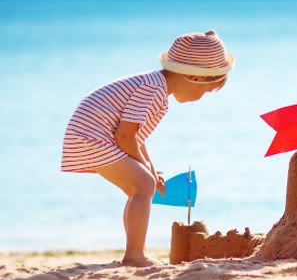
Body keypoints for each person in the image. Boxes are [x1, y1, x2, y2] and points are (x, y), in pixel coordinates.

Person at [61, 30, 234, 266]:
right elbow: (124, 135)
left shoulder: (156, 86)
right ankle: (135, 255)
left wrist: (150, 167)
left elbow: (136, 137)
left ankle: (134, 252)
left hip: (94, 135)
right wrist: (145, 170)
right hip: (91, 136)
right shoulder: (153, 90)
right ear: (194, 77)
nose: (201, 97)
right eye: (204, 91)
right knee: (143, 184)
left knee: (141, 186)